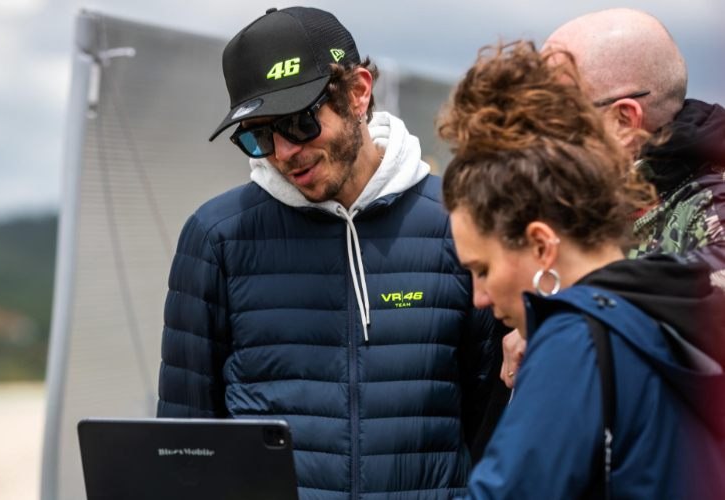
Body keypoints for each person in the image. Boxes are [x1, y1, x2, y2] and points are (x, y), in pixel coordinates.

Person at [156, 7, 507, 499]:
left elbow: (494, 421)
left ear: (358, 92)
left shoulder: (458, 222)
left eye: (299, 123)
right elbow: (184, 442)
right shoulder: (217, 238)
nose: (283, 152)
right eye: (258, 135)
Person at [438, 40, 725, 498]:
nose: (480, 297)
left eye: (484, 268)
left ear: (541, 244)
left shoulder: (577, 340)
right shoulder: (660, 317)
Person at [501, 8, 725, 388]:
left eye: (553, 112)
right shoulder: (571, 198)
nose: (535, 132)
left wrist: (565, 316)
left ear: (623, 120)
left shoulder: (711, 201)